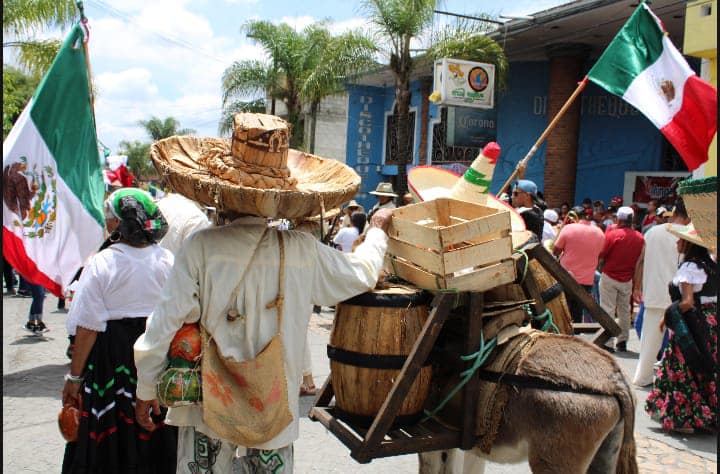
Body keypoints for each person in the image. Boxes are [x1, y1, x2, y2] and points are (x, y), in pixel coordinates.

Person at [133, 205, 392, 473]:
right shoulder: (301, 248)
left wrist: (146, 387)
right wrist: (376, 232)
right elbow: (361, 273)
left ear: (221, 201)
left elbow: (166, 321)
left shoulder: (200, 245)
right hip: (274, 402)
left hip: (207, 400)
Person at [61, 188, 177, 473]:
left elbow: (87, 327)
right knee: (154, 428)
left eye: (108, 216)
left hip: (111, 361)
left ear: (116, 223)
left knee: (110, 433)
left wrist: (74, 378)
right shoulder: (167, 260)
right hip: (155, 356)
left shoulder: (103, 262)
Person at [645, 224, 717, 434]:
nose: (677, 243)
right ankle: (705, 414)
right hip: (710, 324)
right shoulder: (711, 266)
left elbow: (687, 301)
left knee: (681, 367)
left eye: (680, 240)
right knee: (704, 366)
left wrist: (668, 316)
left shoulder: (690, 268)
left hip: (691, 324)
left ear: (688, 243)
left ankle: (683, 417)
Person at [631, 199, 690, 387]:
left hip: (653, 293)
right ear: (689, 217)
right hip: (679, 297)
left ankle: (642, 377)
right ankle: (673, 380)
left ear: (673, 214)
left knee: (649, 342)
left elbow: (640, 260)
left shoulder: (653, 232)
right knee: (679, 342)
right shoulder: (690, 235)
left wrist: (637, 286)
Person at [598, 206, 645, 352]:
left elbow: (601, 255)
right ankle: (622, 340)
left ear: (619, 219)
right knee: (625, 310)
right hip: (627, 279)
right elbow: (640, 263)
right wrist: (637, 285)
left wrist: (600, 268)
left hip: (610, 276)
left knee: (607, 309)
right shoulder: (640, 238)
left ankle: (608, 341)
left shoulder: (613, 235)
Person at [553, 205, 605, 323]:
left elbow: (555, 251)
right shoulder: (599, 232)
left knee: (563, 311)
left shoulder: (568, 228)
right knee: (577, 312)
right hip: (586, 280)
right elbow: (601, 254)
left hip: (566, 277)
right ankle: (576, 337)